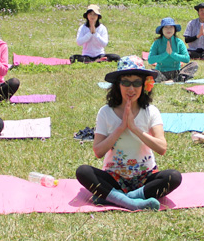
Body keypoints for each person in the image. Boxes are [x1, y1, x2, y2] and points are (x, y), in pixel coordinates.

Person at [75, 56, 182, 211]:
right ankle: (131, 202)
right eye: (126, 82)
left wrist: (134, 129)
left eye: (136, 83)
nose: (131, 89)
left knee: (174, 177)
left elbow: (162, 148)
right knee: (83, 171)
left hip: (145, 178)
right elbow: (98, 151)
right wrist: (120, 127)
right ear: (118, 85)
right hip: (114, 177)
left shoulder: (151, 111)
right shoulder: (105, 112)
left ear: (144, 85)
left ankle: (116, 198)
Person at [148, 17, 198, 82]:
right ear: (161, 30)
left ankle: (175, 80)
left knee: (194, 65)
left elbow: (186, 59)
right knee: (148, 72)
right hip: (161, 72)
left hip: (176, 73)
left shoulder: (179, 42)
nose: (168, 29)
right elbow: (150, 60)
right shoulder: (157, 42)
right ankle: (165, 80)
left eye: (171, 27)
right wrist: (165, 54)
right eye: (166, 27)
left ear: (174, 29)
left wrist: (172, 54)